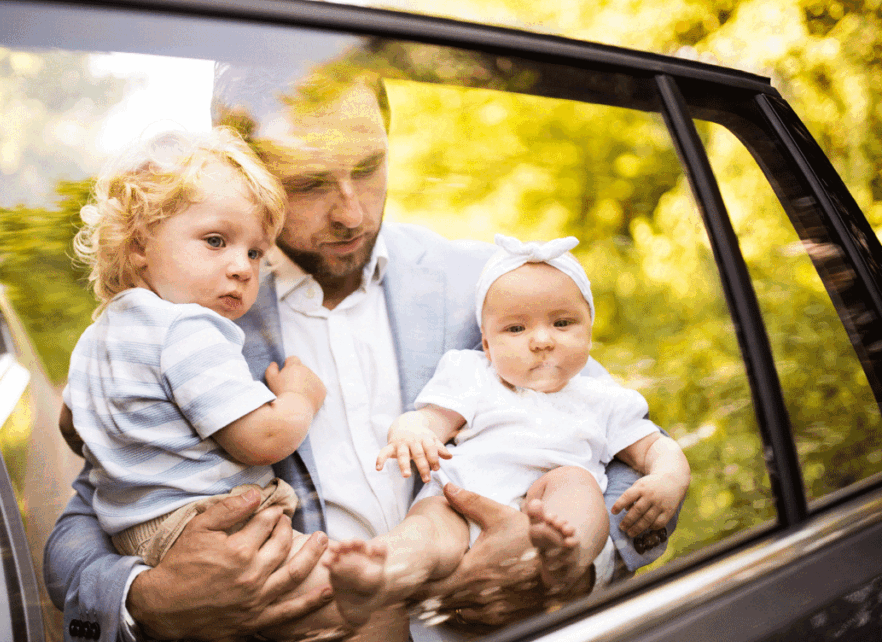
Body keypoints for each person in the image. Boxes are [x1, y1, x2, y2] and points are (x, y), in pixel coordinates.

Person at [45, 61, 679, 642]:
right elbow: (89, 514)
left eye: (370, 166)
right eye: (311, 181)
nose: (352, 211)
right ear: (250, 173)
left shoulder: (488, 287)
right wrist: (149, 598)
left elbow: (614, 443)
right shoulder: (188, 310)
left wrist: (571, 568)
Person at [325, 235, 691, 633]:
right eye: (515, 328)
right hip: (460, 501)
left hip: (547, 506)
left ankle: (568, 556)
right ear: (486, 343)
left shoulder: (603, 399)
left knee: (577, 483)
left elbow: (655, 447)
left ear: (589, 329)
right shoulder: (474, 375)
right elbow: (430, 419)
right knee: (426, 528)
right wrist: (411, 431)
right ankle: (379, 570)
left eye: (562, 323)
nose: (541, 340)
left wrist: (669, 476)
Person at [63, 127, 328, 574]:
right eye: (216, 241)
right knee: (361, 598)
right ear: (139, 244)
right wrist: (301, 397)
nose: (242, 268)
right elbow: (261, 440)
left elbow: (73, 428)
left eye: (256, 252)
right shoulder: (188, 327)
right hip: (213, 525)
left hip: (135, 534)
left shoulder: (97, 336)